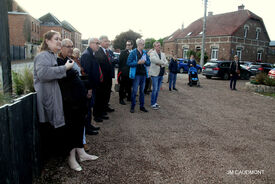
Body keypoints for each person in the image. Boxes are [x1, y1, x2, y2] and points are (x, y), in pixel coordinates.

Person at [57, 38, 98, 172]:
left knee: (79, 127)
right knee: (71, 130)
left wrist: (87, 88)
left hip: (79, 101)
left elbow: (78, 77)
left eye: (72, 46)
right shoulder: (59, 62)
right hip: (69, 102)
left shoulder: (71, 60)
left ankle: (82, 153)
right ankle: (71, 158)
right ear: (61, 47)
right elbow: (63, 80)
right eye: (67, 46)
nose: (70, 48)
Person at [33, 30, 74, 166]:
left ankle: (57, 160)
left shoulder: (51, 55)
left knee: (55, 128)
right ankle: (52, 163)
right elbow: (43, 74)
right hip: (47, 99)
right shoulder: (43, 56)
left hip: (52, 97)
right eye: (56, 39)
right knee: (49, 129)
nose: (59, 41)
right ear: (47, 41)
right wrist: (65, 68)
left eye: (60, 39)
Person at [80, 38, 102, 132]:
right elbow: (86, 74)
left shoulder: (91, 54)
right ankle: (87, 128)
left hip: (92, 86)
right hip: (89, 87)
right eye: (97, 43)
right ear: (90, 44)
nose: (98, 45)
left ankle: (89, 125)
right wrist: (89, 88)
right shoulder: (86, 55)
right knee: (88, 107)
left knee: (90, 107)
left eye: (99, 43)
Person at [94, 35, 114, 122]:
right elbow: (99, 65)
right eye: (106, 41)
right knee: (100, 96)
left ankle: (104, 108)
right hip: (102, 78)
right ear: (101, 42)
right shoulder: (98, 51)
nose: (108, 43)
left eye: (108, 41)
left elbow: (111, 62)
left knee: (106, 94)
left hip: (108, 77)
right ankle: (99, 114)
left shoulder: (108, 51)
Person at [127, 38, 151, 113]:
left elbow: (149, 63)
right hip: (136, 74)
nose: (144, 46)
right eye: (143, 44)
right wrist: (137, 63)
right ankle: (132, 107)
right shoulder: (133, 52)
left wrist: (145, 61)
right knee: (134, 91)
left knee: (142, 91)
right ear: (139, 44)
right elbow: (128, 63)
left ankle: (141, 106)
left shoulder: (144, 52)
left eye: (144, 44)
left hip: (143, 74)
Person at [149, 41, 168, 110]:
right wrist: (162, 63)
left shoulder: (163, 54)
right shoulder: (152, 53)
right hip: (154, 74)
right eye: (157, 46)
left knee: (157, 90)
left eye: (159, 45)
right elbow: (153, 60)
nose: (159, 47)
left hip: (161, 74)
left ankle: (155, 102)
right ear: (154, 47)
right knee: (155, 89)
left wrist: (161, 63)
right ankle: (152, 103)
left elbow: (166, 62)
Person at [118, 40, 133, 105]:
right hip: (124, 72)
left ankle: (129, 98)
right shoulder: (123, 52)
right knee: (122, 86)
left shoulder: (134, 52)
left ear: (132, 45)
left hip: (131, 72)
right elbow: (120, 63)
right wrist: (121, 72)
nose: (127, 46)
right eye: (126, 45)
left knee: (129, 86)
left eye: (129, 45)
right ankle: (121, 99)